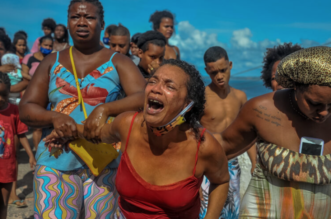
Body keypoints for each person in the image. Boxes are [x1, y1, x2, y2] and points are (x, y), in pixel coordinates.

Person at [45, 59, 230, 219]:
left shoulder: (204, 147)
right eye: (153, 81)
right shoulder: (127, 124)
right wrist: (69, 131)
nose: (156, 89)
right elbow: (97, 134)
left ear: (188, 104)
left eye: (169, 86)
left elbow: (221, 181)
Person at [19, 0, 145, 218]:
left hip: (105, 163)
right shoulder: (52, 61)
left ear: (102, 23)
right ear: (68, 22)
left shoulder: (119, 62)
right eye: (75, 17)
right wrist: (54, 117)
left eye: (90, 17)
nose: (82, 22)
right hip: (55, 162)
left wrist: (105, 109)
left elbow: (143, 97)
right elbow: (27, 108)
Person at [219, 46, 331, 218]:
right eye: (315, 103)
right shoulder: (261, 110)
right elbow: (222, 148)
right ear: (295, 85)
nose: (324, 112)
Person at [199, 46, 255, 219]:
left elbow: (247, 133)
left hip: (232, 163)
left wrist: (255, 162)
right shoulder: (201, 97)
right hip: (207, 163)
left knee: (232, 212)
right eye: (213, 72)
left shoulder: (240, 97)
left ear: (230, 65)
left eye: (223, 70)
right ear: (207, 71)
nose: (219, 76)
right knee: (206, 212)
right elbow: (190, 132)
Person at [0, 72, 35, 215]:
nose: (1, 98)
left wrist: (30, 155)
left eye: (4, 94)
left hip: (7, 166)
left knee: (2, 205)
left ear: (10, 91)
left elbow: (21, 135)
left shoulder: (14, 111)